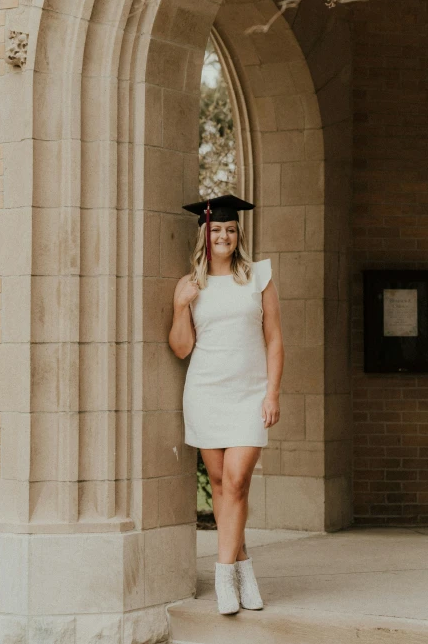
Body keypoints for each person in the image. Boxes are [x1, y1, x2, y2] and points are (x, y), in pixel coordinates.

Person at [168, 194, 285, 615]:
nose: (224, 236)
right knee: (221, 485)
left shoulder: (259, 277)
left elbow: (274, 339)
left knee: (235, 481)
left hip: (250, 393)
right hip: (205, 391)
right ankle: (244, 569)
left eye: (230, 229)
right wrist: (181, 305)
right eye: (217, 229)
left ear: (238, 234)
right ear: (206, 234)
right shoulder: (192, 284)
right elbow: (182, 348)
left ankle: (223, 577)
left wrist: (271, 392)